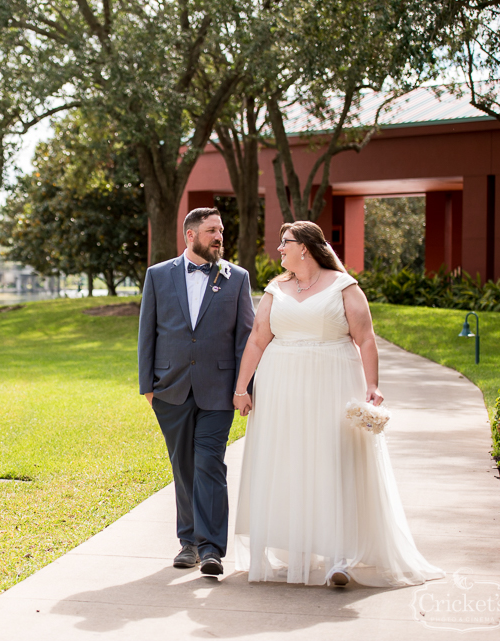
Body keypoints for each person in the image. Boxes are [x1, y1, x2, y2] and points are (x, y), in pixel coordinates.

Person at [231, 221, 443, 587]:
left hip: (332, 384)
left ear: (306, 248)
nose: (279, 249)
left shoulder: (345, 287)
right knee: (288, 461)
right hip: (281, 387)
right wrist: (241, 388)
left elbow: (366, 339)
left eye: (286, 243)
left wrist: (373, 386)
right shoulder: (274, 289)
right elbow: (256, 340)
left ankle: (338, 557)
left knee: (332, 460)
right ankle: (295, 547)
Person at [138, 208, 255, 575]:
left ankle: (210, 550)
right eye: (211, 231)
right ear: (190, 235)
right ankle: (187, 542)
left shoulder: (237, 278)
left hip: (219, 391)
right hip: (169, 389)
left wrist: (244, 388)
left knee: (208, 464)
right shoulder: (158, 276)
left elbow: (245, 337)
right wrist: (147, 387)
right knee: (182, 466)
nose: (219, 236)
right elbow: (148, 332)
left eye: (221, 230)